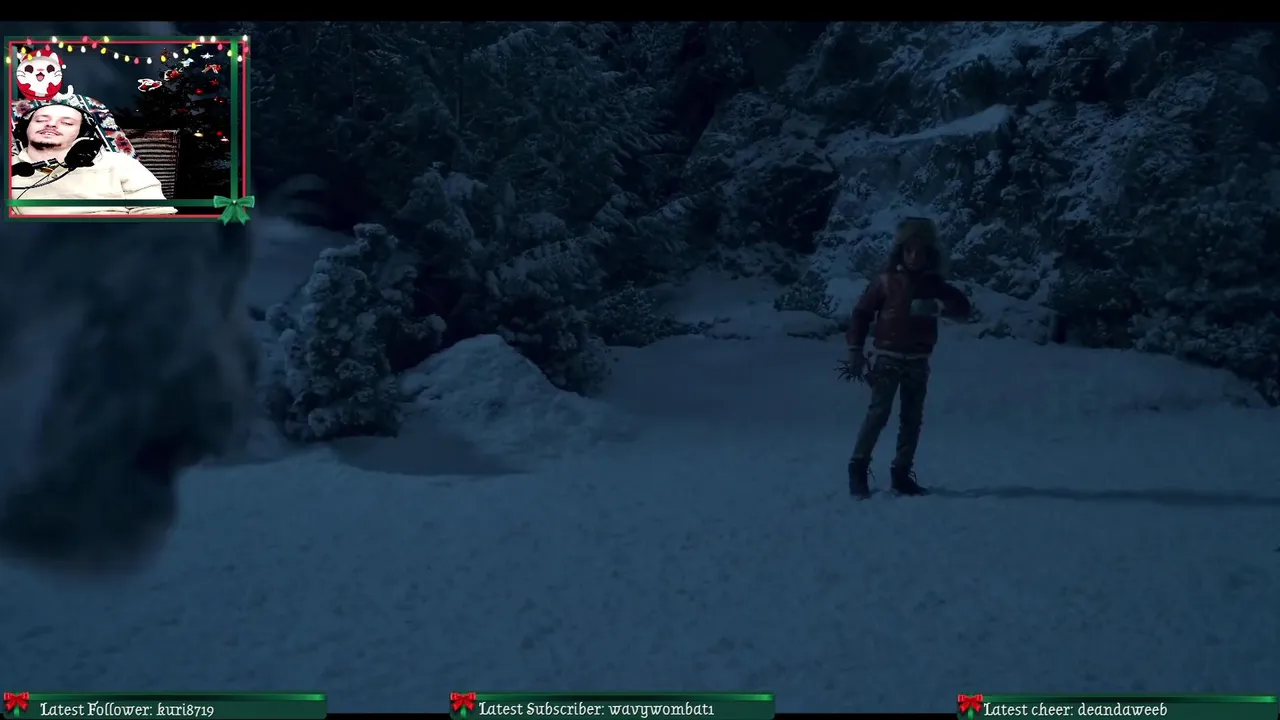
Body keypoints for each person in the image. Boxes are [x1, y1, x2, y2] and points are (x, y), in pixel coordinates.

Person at [845, 217, 972, 499]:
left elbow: (963, 308)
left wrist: (939, 307)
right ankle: (858, 470)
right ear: (900, 251)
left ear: (929, 253)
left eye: (920, 251)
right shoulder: (885, 281)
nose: (914, 256)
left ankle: (901, 474)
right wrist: (855, 349)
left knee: (912, 419)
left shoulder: (934, 284)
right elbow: (861, 313)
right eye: (909, 250)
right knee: (878, 414)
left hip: (918, 359)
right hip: (886, 358)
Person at [9, 102, 176, 216]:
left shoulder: (121, 164)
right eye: (40, 120)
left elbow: (157, 216)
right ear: (24, 129)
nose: (51, 125)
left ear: (83, 133)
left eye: (67, 123)